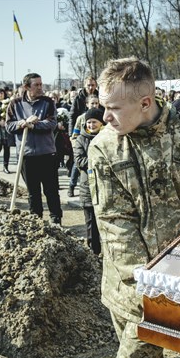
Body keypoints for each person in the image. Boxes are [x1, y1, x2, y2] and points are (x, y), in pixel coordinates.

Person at [89, 57, 180, 358]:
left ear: (146, 102)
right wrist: (147, 283)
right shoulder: (104, 147)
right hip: (129, 288)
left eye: (114, 108)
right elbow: (114, 222)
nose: (105, 117)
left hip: (174, 284)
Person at [6, 73, 62, 223]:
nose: (40, 87)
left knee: (51, 190)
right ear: (26, 87)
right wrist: (22, 123)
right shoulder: (15, 104)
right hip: (27, 155)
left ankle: (56, 220)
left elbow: (52, 123)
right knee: (33, 193)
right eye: (36, 85)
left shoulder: (48, 102)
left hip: (47, 153)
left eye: (40, 84)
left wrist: (34, 125)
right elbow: (9, 126)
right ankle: (36, 221)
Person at [73, 108, 104, 255]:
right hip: (88, 187)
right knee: (91, 223)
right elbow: (79, 161)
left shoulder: (106, 137)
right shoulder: (81, 139)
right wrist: (98, 161)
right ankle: (94, 253)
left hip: (105, 186)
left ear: (101, 123)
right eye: (89, 122)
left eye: (94, 122)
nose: (91, 125)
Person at [68, 94, 100, 197]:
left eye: (96, 103)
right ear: (87, 104)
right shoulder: (81, 118)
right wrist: (76, 146)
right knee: (76, 167)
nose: (94, 105)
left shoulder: (101, 116)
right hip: (82, 147)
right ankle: (71, 186)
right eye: (92, 103)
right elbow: (75, 134)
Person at [0, 89, 11, 174]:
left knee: (7, 149)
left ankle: (5, 166)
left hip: (6, 130)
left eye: (2, 93)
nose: (1, 95)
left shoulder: (8, 103)